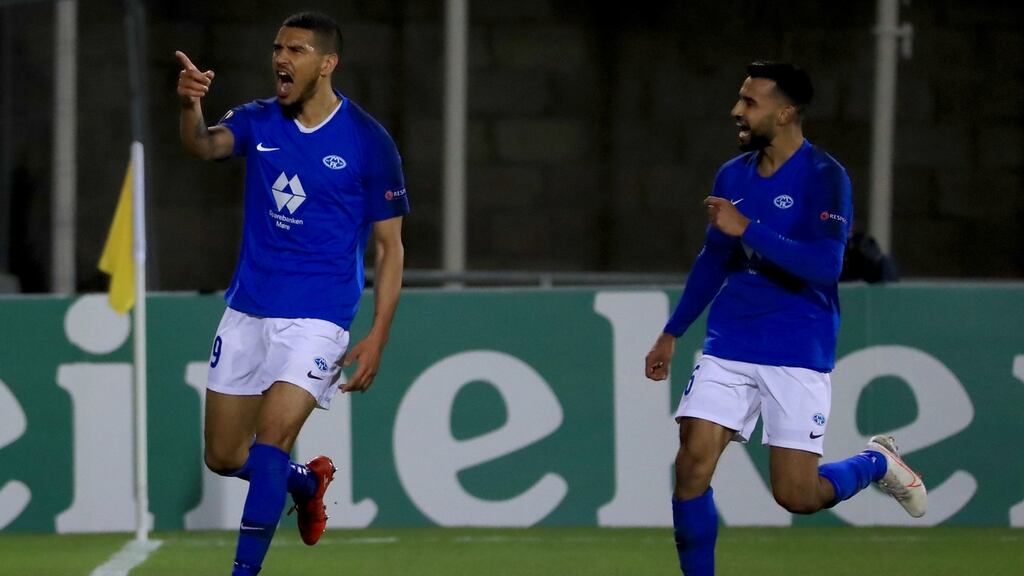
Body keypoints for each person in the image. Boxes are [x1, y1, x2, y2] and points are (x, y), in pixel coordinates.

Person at [644, 62, 925, 575]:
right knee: (691, 465)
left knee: (798, 495)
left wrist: (746, 225)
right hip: (731, 340)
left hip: (797, 345)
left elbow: (825, 264)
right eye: (739, 99)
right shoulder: (733, 175)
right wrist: (672, 331)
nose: (737, 111)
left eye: (749, 102)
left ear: (786, 112)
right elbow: (714, 260)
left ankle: (877, 462)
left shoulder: (825, 176)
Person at [176, 11, 408, 575]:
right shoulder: (259, 120)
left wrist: (377, 334)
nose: (282, 58)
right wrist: (190, 106)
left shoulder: (368, 141)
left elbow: (389, 247)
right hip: (248, 309)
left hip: (319, 317)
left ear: (327, 64)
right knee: (225, 456)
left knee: (273, 438)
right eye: (278, 47)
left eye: (297, 50)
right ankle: (306, 484)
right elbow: (204, 147)